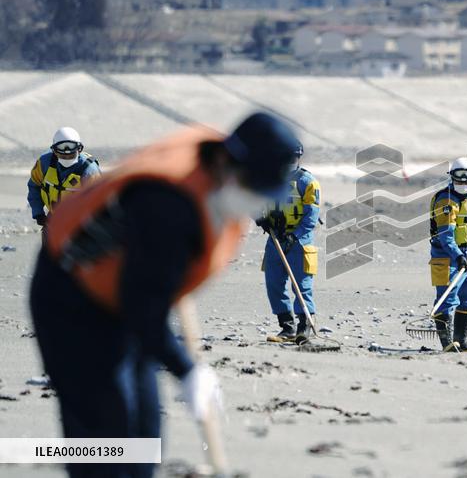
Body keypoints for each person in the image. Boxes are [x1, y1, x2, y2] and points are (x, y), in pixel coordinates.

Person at [30, 113, 301, 478]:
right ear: (225, 162)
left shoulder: (214, 181)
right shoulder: (169, 206)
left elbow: (148, 294)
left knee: (143, 435)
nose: (257, 199)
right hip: (70, 298)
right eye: (255, 187)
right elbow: (142, 305)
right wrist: (187, 370)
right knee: (105, 439)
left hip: (127, 295)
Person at [257, 141, 321, 343]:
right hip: (275, 239)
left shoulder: (307, 181)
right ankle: (287, 326)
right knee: (274, 283)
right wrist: (260, 219)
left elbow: (311, 215)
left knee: (302, 285)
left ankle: (305, 325)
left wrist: (296, 235)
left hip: (299, 242)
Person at [428, 157, 467, 352]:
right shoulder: (445, 200)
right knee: (447, 298)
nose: (463, 182)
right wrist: (457, 256)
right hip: (447, 257)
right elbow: (446, 236)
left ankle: (461, 341)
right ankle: (447, 343)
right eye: (458, 177)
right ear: (451, 177)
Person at [27, 127, 101, 227]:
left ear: (79, 150)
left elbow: (99, 203)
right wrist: (38, 213)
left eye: (71, 155)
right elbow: (34, 186)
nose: (66, 158)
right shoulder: (44, 163)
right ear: (54, 151)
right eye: (62, 155)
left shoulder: (89, 171)